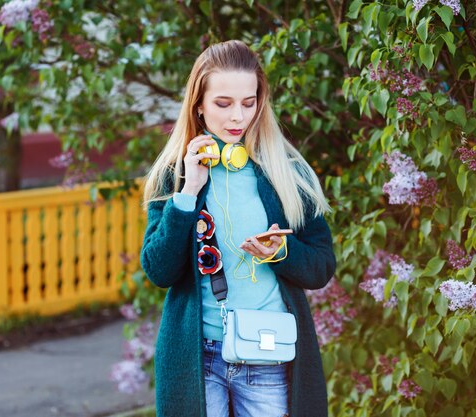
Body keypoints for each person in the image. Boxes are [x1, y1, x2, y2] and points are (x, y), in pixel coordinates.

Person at [140, 40, 336, 417]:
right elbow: (159, 270)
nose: (237, 118)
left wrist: (281, 253)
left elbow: (322, 266)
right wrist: (189, 192)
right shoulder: (175, 175)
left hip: (268, 354)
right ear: (198, 104)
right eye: (223, 103)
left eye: (249, 103)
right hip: (199, 360)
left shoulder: (287, 173)